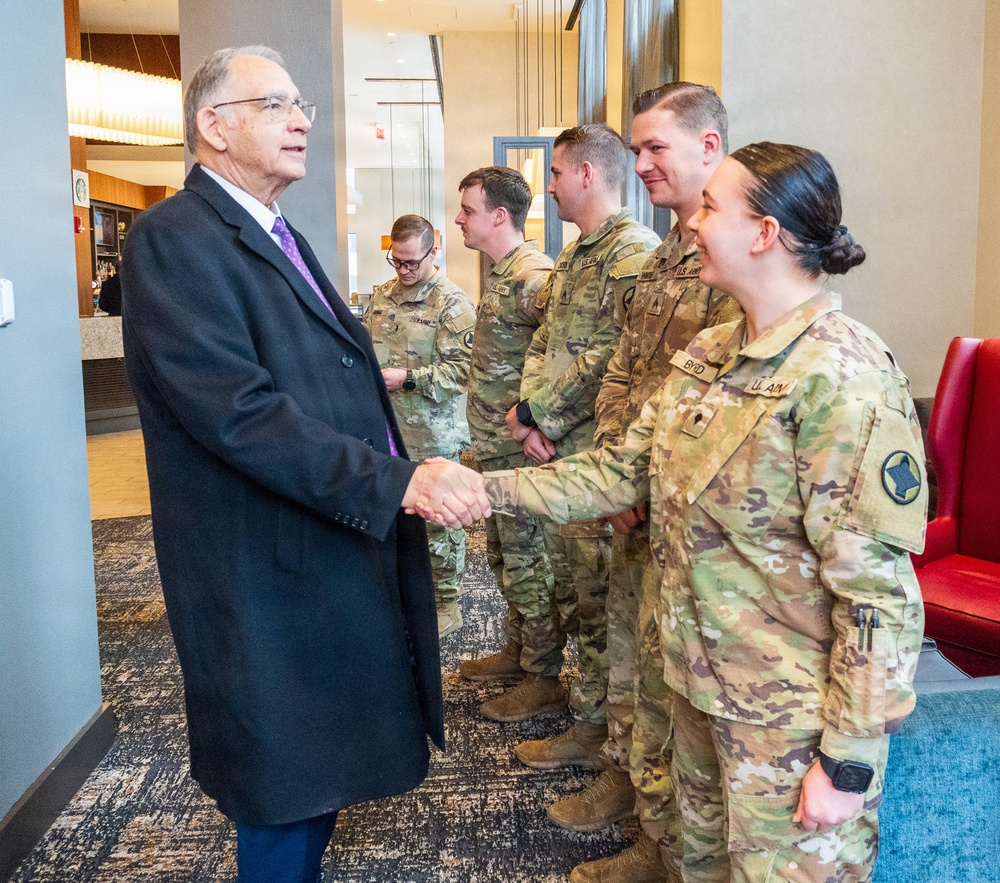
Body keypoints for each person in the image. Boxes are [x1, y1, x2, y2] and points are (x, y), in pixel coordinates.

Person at [479, 142, 925, 882]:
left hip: (785, 724)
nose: (690, 225)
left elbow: (878, 596)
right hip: (694, 686)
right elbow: (619, 473)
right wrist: (485, 488)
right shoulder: (711, 353)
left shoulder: (843, 377)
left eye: (713, 207)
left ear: (765, 233)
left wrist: (849, 759)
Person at [121, 46, 489, 883]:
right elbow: (238, 413)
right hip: (258, 559)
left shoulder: (273, 230)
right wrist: (397, 479)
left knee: (313, 765)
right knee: (282, 779)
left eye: (303, 106)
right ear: (213, 126)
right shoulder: (174, 239)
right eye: (276, 103)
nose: (301, 120)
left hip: (315, 539)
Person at [558, 84, 743, 883]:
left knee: (692, 709)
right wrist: (615, 469)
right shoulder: (669, 253)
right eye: (633, 151)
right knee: (636, 675)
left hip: (699, 523)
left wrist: (647, 478)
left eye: (654, 148)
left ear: (709, 146)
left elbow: (728, 400)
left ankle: (679, 853)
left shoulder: (740, 248)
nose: (637, 165)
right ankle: (646, 828)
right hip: (634, 500)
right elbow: (622, 370)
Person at [498, 125, 660, 766]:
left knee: (598, 605)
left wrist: (546, 414)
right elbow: (545, 340)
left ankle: (598, 733)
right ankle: (586, 714)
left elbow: (612, 358)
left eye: (558, 173)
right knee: (576, 591)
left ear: (588, 174)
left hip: (600, 456)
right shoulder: (574, 255)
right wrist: (531, 415)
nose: (552, 187)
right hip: (561, 448)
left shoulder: (635, 252)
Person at [453, 167, 560, 692]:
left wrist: (538, 417)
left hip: (520, 455)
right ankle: (519, 650)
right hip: (495, 452)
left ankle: (541, 676)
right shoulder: (504, 274)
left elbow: (569, 351)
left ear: (499, 215)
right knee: (505, 557)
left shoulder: (533, 276)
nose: (459, 220)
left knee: (529, 564)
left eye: (468, 211)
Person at [363, 213, 476, 637]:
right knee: (393, 516)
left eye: (413, 262)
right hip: (387, 430)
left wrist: (407, 378)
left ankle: (447, 602)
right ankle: (404, 593)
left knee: (438, 522)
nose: (405, 270)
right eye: (397, 261)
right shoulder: (383, 297)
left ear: (434, 250)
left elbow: (463, 371)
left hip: (433, 434)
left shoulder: (452, 303)